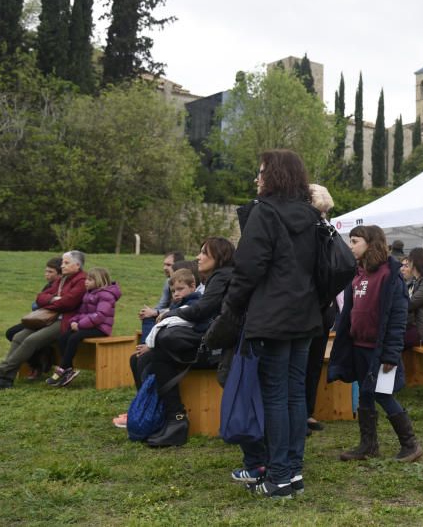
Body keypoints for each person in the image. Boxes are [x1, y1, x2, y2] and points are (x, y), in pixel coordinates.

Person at [220, 149, 322, 500]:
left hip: (273, 317)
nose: (257, 178)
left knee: (277, 396)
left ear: (274, 175)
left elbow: (247, 268)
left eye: (261, 172)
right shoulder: (312, 216)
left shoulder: (264, 213)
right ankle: (291, 472)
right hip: (305, 316)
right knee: (295, 396)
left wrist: (231, 308)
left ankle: (279, 476)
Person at [329, 224, 422, 463]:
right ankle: (368, 445)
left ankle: (410, 444)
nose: (351, 247)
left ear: (370, 243)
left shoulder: (390, 275)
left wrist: (391, 354)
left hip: (379, 350)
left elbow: (398, 317)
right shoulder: (357, 273)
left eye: (355, 241)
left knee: (383, 394)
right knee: (365, 396)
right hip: (358, 346)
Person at [138, 239, 235, 445]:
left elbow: (203, 310)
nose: (198, 257)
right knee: (151, 355)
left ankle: (175, 420)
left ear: (219, 256)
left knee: (159, 354)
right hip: (220, 344)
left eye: (203, 253)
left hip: (220, 349)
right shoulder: (222, 277)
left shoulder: (222, 276)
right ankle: (164, 417)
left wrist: (168, 314)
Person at [0, 251, 88, 391]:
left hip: (66, 322)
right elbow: (40, 297)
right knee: (18, 336)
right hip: (49, 318)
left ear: (77, 265)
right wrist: (53, 299)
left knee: (31, 340)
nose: (62, 266)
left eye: (66, 263)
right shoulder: (62, 279)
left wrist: (52, 301)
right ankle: (7, 378)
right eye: (63, 262)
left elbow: (68, 303)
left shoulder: (81, 281)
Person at [304, 184, 340, 435]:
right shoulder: (303, 232)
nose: (323, 217)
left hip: (321, 307)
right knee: (300, 362)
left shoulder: (325, 233)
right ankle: (299, 413)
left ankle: (306, 411)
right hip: (305, 306)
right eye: (320, 211)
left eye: (326, 212)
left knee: (313, 361)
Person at [48, 267, 120, 387]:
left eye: (90, 279)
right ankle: (68, 369)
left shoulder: (107, 295)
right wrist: (74, 321)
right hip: (88, 325)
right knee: (62, 338)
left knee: (74, 338)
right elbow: (82, 312)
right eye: (86, 279)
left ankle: (62, 368)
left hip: (101, 328)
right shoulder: (89, 294)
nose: (86, 281)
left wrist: (80, 325)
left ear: (99, 281)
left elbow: (100, 316)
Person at [3, 256, 63, 381]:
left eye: (50, 272)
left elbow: (40, 303)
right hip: (42, 320)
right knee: (12, 333)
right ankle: (42, 356)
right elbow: (36, 304)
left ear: (60, 274)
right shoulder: (48, 286)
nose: (46, 274)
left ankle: (37, 365)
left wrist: (45, 302)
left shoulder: (62, 287)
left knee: (24, 337)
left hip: (54, 322)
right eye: (46, 271)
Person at [139, 252, 185, 340]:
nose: (164, 268)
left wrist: (156, 312)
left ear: (178, 265)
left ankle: (147, 348)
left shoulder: (185, 283)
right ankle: (145, 347)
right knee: (148, 317)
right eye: (164, 264)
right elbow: (162, 304)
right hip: (167, 314)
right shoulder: (168, 282)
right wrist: (149, 311)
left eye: (168, 265)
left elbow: (180, 307)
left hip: (177, 317)